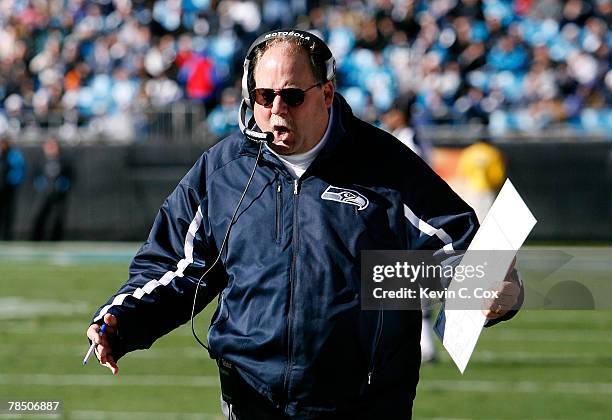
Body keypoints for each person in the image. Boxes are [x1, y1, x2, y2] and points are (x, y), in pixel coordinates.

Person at [87, 30, 522, 419]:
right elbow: (175, 267)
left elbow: (464, 250)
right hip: (249, 400)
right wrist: (120, 320)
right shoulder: (222, 171)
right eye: (263, 96)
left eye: (292, 96)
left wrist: (497, 290)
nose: (276, 109)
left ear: (327, 94)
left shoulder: (386, 166)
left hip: (365, 405)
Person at [31, 137, 73, 241]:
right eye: (48, 146)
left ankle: (55, 240)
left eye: (53, 146)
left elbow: (71, 175)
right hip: (44, 194)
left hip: (58, 194)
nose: (50, 148)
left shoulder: (63, 160)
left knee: (57, 218)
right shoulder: (40, 160)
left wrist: (64, 185)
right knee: (39, 216)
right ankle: (36, 239)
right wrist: (39, 184)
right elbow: (34, 174)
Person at [0, 136, 26, 240]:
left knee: (8, 213)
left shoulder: (13, 155)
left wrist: (10, 183)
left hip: (8, 190)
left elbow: (19, 171)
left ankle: (6, 236)